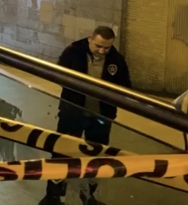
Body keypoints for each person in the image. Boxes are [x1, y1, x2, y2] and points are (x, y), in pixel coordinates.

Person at [39, 26, 131, 205]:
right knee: (62, 152)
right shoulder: (73, 52)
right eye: (98, 46)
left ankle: (88, 196)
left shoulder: (116, 60)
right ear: (90, 38)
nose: (102, 51)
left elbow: (125, 86)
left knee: (97, 157)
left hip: (101, 117)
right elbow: (58, 74)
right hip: (72, 113)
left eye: (107, 47)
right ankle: (54, 196)